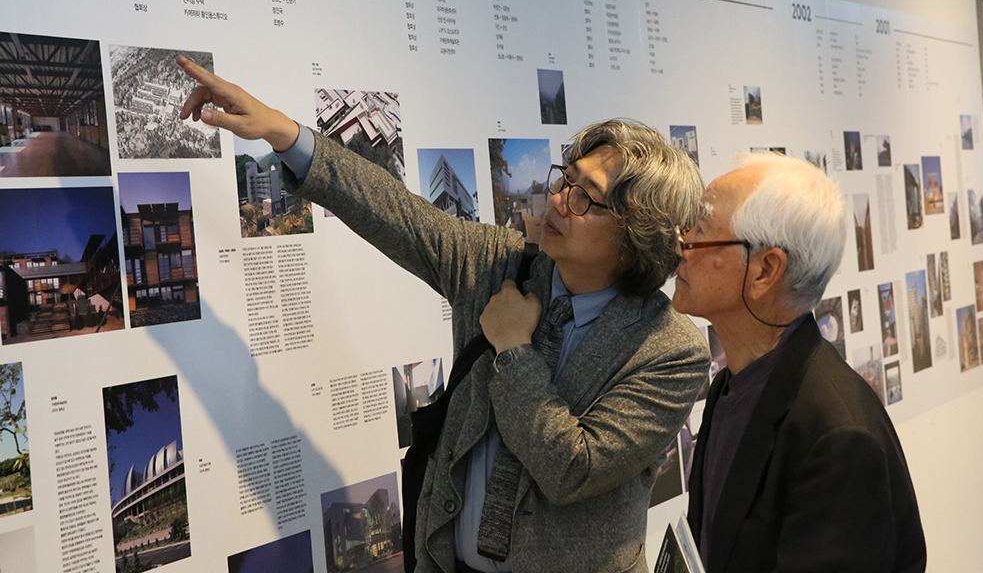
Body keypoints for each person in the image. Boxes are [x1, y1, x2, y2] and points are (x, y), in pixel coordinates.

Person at [175, 57, 711, 573]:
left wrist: (514, 351)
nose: (557, 200)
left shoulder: (669, 349)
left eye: (584, 197)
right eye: (563, 178)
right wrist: (284, 133)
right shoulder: (498, 266)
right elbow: (396, 212)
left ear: (638, 233)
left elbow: (571, 468)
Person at [673, 152, 926, 573]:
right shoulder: (732, 385)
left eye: (701, 229)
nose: (683, 244)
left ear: (765, 271)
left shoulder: (837, 435)